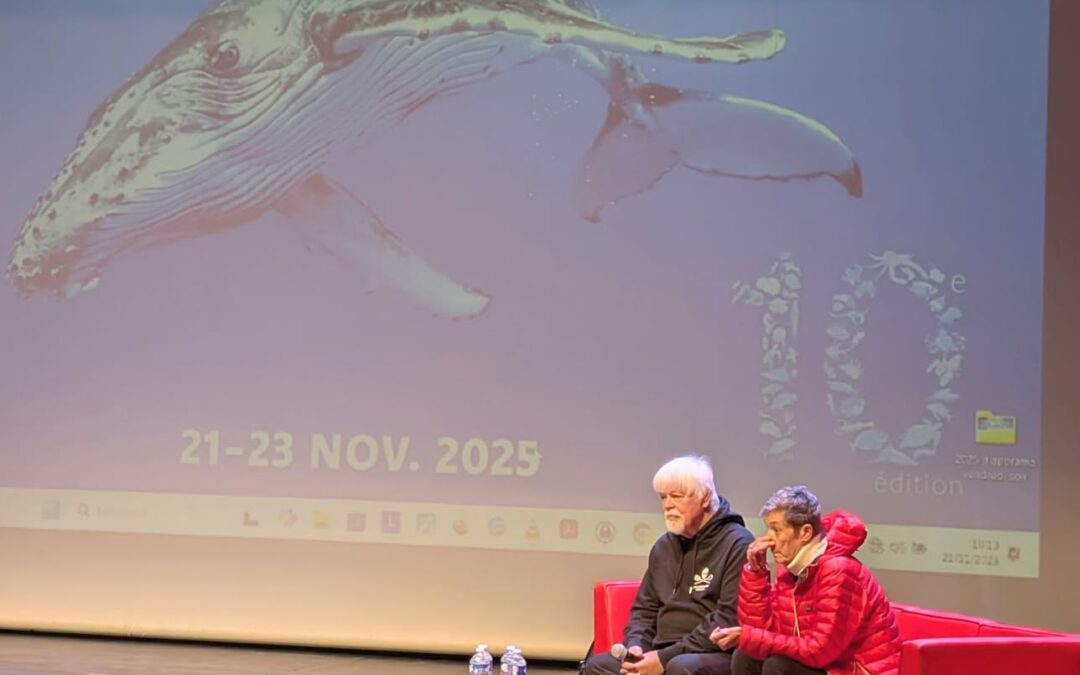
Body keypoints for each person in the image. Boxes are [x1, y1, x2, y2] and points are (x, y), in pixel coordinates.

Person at [584, 455, 754, 675]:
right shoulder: (664, 547)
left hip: (711, 652)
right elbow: (644, 609)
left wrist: (664, 659)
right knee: (598, 666)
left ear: (705, 498)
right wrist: (637, 646)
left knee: (680, 668)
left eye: (676, 496)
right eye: (663, 497)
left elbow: (727, 619)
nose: (667, 505)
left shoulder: (738, 544)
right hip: (661, 650)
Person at [709, 486, 901, 675]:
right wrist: (755, 572)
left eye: (776, 530)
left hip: (851, 669)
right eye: (768, 529)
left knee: (778, 666)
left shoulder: (838, 571)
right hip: (822, 665)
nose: (769, 540)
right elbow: (764, 631)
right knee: (745, 655)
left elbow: (820, 651)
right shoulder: (790, 568)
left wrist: (749, 636)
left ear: (805, 533)